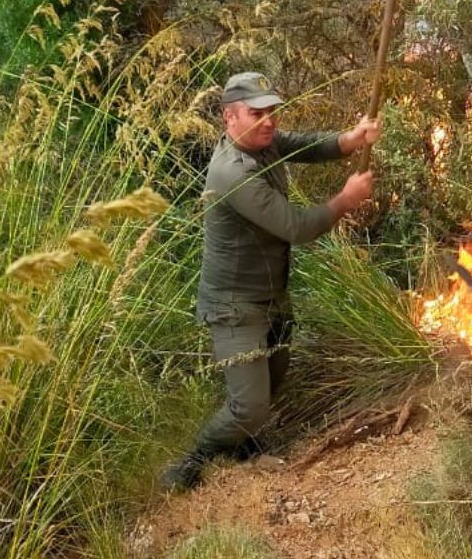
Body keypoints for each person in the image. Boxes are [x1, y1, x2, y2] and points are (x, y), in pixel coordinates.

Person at [161, 71, 381, 491]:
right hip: (234, 306)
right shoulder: (232, 172)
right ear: (230, 117)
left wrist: (351, 139)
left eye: (272, 111)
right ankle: (191, 464)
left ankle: (241, 450)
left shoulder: (263, 140)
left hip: (272, 296)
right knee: (248, 406)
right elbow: (296, 226)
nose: (268, 120)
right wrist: (346, 199)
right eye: (256, 112)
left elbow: (307, 146)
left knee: (271, 384)